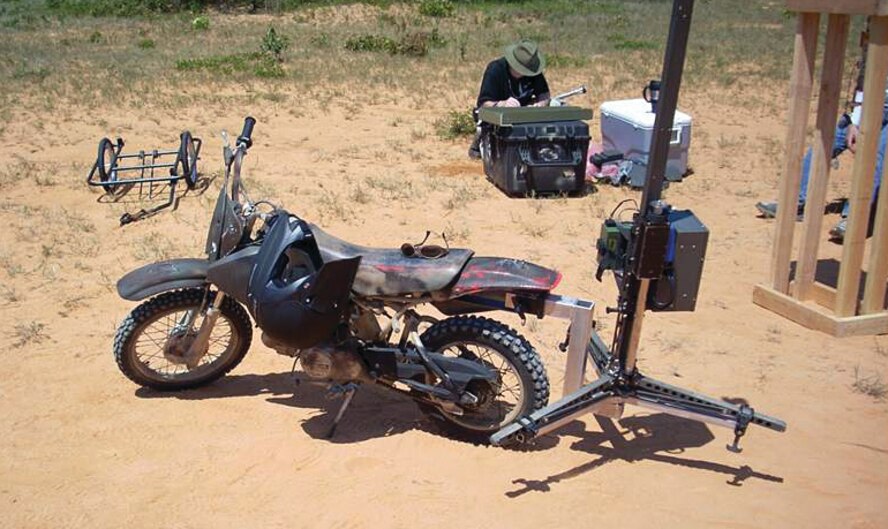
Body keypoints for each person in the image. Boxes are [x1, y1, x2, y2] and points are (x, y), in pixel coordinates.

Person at [756, 85, 887, 242]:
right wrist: (854, 121)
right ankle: (797, 204)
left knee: (875, 160)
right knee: (823, 146)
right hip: (866, 107)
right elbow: (863, 82)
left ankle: (854, 219)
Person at [468, 39, 551, 159]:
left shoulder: (534, 71)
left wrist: (540, 104)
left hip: (526, 114)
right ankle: (481, 139)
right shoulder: (495, 70)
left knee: (556, 104)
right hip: (500, 114)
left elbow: (544, 94)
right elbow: (483, 103)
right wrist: (503, 104)